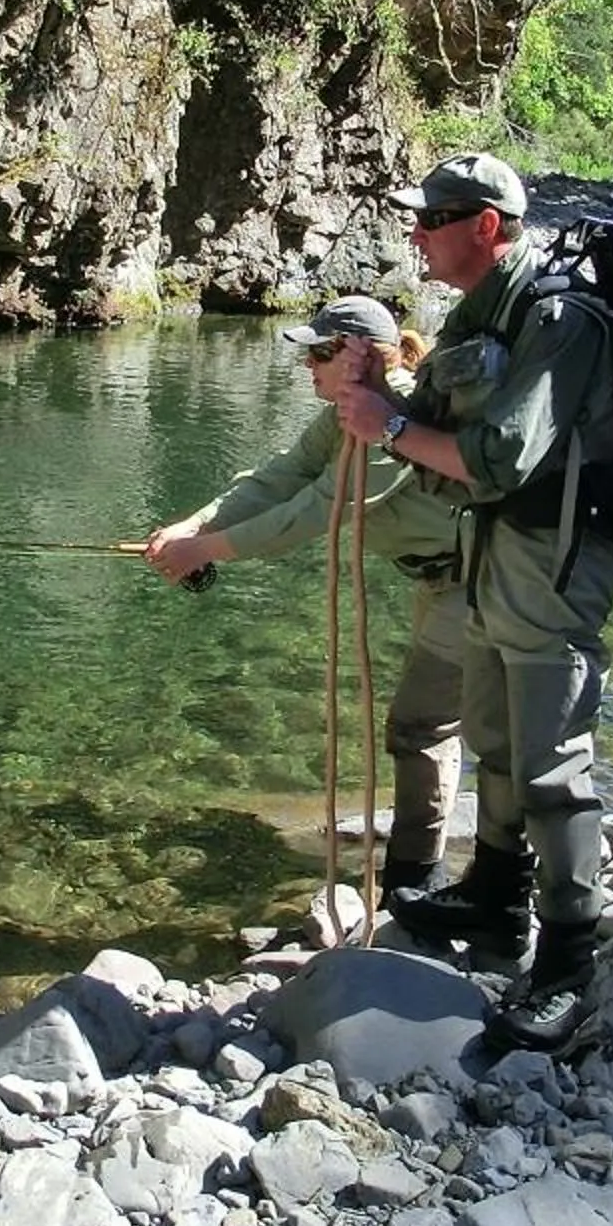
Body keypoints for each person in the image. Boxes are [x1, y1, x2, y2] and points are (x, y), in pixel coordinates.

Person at [332, 153, 613, 1047]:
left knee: (549, 762)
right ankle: (496, 904)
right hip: (491, 552)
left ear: (485, 227)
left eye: (432, 221)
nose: (416, 236)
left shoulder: (561, 320)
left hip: (554, 559)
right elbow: (428, 428)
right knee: (495, 736)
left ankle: (571, 960)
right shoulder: (476, 310)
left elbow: (498, 457)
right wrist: (374, 392)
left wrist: (386, 423)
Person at [142, 295, 469, 899]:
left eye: (320, 352)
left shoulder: (389, 414)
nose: (307, 366)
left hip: (476, 583)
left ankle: (416, 883)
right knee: (436, 726)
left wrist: (205, 552)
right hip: (440, 579)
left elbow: (313, 512)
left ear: (361, 355)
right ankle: (428, 872)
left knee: (420, 727)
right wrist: (195, 525)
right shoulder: (345, 411)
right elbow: (281, 477)